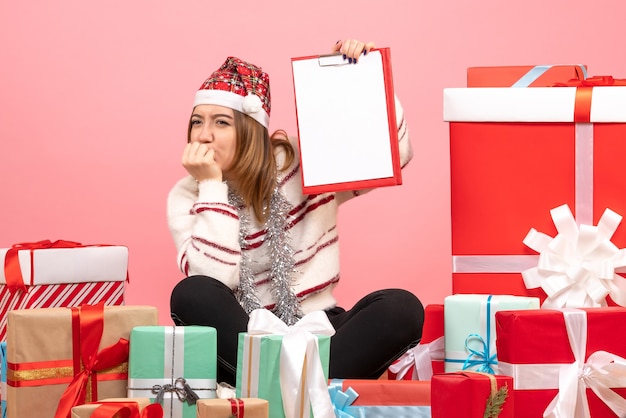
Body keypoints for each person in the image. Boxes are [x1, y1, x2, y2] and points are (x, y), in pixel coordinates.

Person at [168, 39, 424, 386]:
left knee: (400, 308)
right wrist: (212, 186)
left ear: (250, 130)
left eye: (222, 123)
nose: (205, 134)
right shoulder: (188, 194)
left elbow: (394, 152)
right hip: (244, 337)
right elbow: (216, 279)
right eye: (197, 122)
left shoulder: (298, 162)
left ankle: (277, 389)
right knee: (192, 293)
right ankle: (306, 388)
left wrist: (357, 75)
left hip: (319, 328)